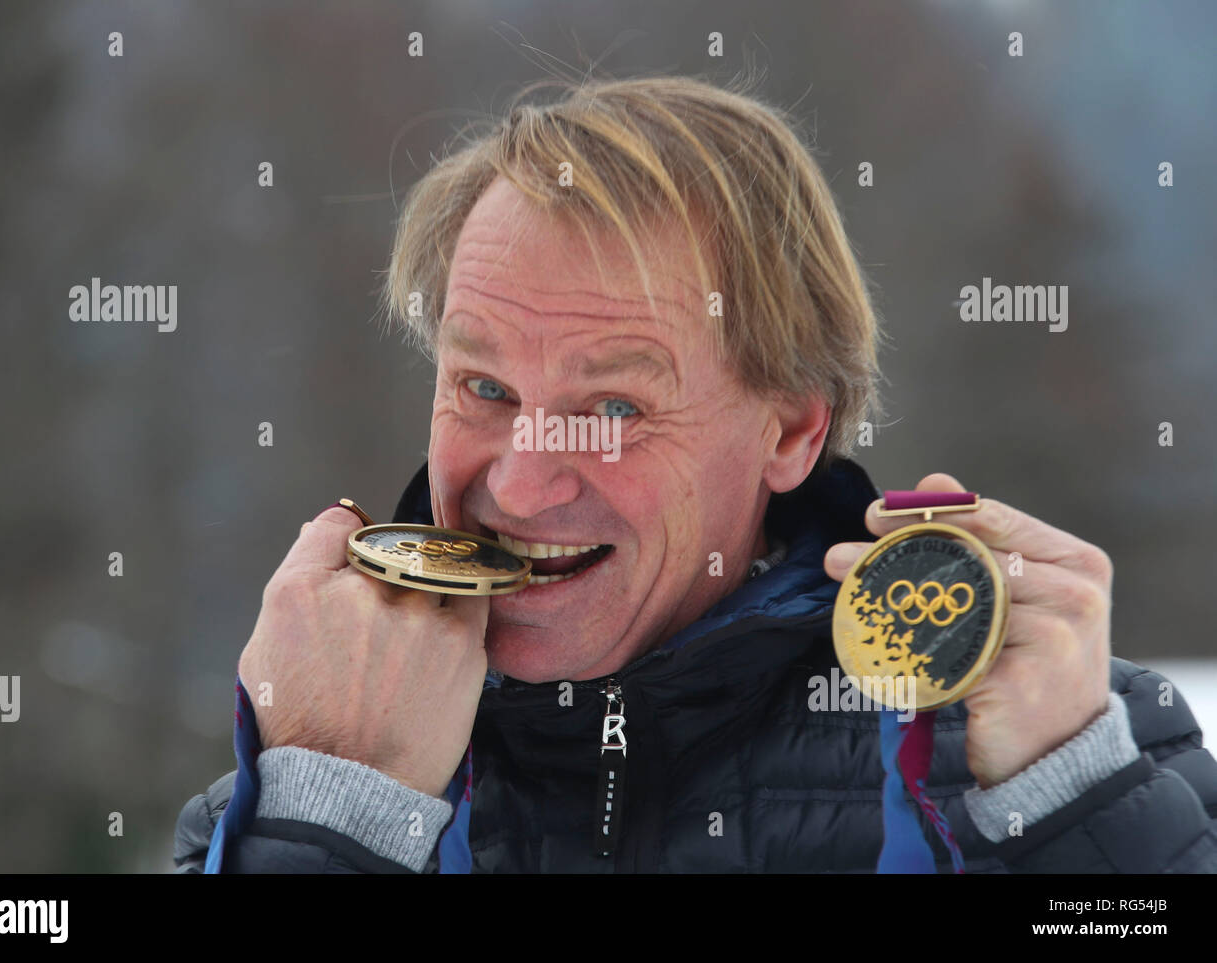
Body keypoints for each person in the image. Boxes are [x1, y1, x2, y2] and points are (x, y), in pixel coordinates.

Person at [174, 75, 1217, 873]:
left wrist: (1071, 807)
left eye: (614, 407)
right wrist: (334, 823)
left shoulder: (1043, 745)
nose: (525, 486)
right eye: (484, 389)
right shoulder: (276, 809)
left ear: (792, 433)